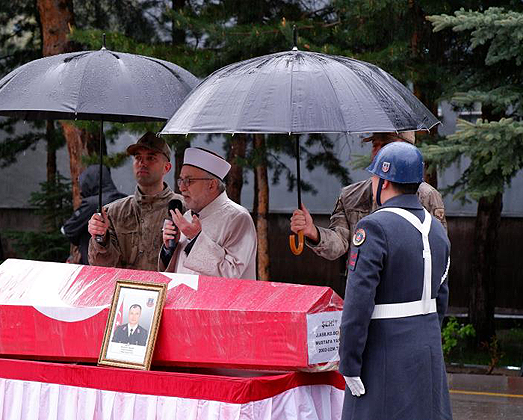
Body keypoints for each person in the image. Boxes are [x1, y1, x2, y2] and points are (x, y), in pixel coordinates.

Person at [338, 141, 452, 420]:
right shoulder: (437, 230)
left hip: (383, 353)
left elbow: (357, 303)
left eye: (375, 176)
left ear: (385, 182)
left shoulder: (374, 227)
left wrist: (349, 362)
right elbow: (442, 298)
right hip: (427, 349)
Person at [290, 132, 447, 262]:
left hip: (408, 292)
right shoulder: (352, 195)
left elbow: (439, 252)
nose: (378, 152)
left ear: (407, 149)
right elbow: (339, 244)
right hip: (363, 285)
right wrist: (312, 232)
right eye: (375, 145)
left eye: (385, 145)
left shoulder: (426, 196)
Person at [87, 132, 183, 271]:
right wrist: (101, 238)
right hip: (122, 290)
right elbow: (101, 268)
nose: (142, 163)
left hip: (170, 291)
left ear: (167, 168)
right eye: (138, 157)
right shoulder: (113, 213)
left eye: (151, 158)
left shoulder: (183, 209)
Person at [159, 147, 257, 279]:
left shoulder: (238, 218)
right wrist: (169, 249)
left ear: (211, 185)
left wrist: (195, 239)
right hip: (186, 298)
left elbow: (231, 274)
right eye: (180, 180)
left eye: (189, 181)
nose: (181, 187)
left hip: (222, 299)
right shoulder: (187, 216)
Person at [63, 165, 125, 265]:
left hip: (94, 264)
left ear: (87, 183)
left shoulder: (92, 204)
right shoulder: (125, 201)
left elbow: (69, 230)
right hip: (123, 266)